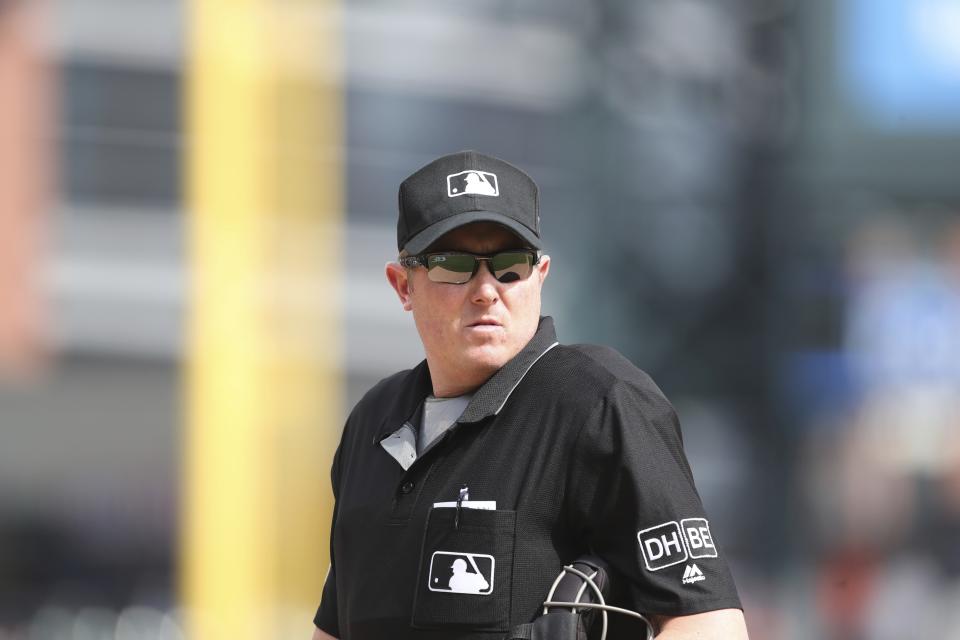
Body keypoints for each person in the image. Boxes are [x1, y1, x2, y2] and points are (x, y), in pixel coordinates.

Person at [312, 151, 749, 639]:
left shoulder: (598, 403)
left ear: (539, 276)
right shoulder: (373, 422)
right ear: (402, 285)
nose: (485, 289)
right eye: (453, 265)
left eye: (509, 265)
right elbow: (335, 625)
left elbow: (708, 624)